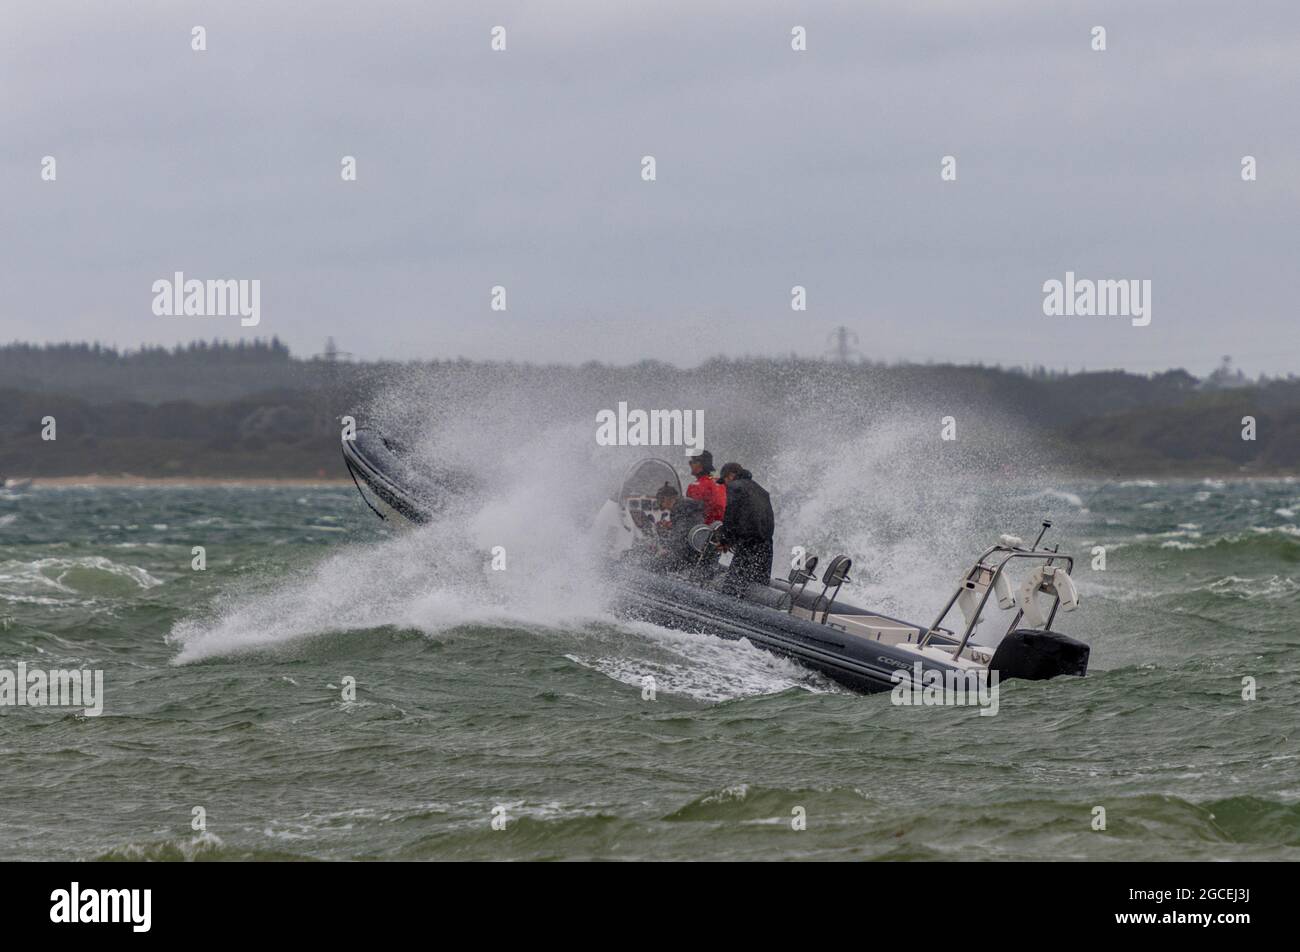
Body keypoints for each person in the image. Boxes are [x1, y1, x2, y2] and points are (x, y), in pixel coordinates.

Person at [716, 462, 774, 595]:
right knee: (757, 593)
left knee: (733, 589)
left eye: (724, 481)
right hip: (767, 547)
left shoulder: (735, 486)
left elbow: (731, 514)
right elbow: (754, 519)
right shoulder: (761, 491)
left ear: (730, 476)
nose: (725, 485)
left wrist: (725, 540)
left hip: (749, 547)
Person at [647, 482, 707, 572]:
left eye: (660, 501)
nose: (661, 506)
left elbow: (680, 541)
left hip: (686, 557)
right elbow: (686, 529)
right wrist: (672, 527)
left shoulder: (679, 510)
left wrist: (666, 547)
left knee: (650, 565)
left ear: (666, 499)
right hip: (695, 553)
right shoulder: (688, 507)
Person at [685, 450, 727, 524]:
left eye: (692, 462)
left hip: (705, 529)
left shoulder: (695, 486)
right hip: (723, 526)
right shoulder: (720, 481)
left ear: (700, 464)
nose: (690, 465)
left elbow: (690, 513)